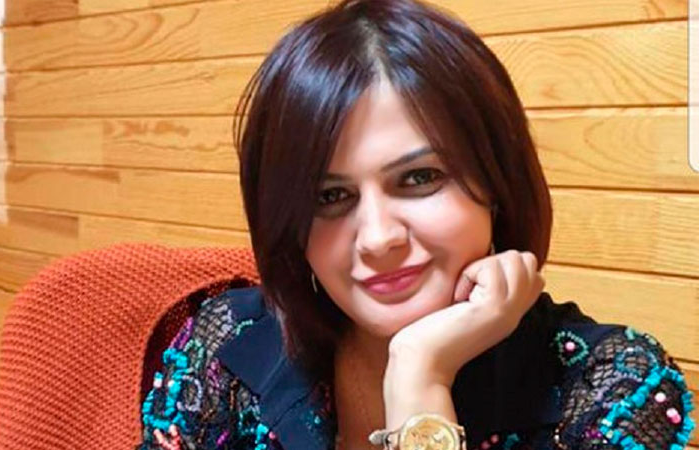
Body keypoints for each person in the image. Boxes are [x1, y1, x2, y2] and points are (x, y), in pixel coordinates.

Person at [136, 0, 695, 448]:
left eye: (419, 178)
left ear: (497, 185)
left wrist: (420, 378)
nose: (378, 238)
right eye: (331, 196)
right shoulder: (227, 345)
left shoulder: (608, 389)